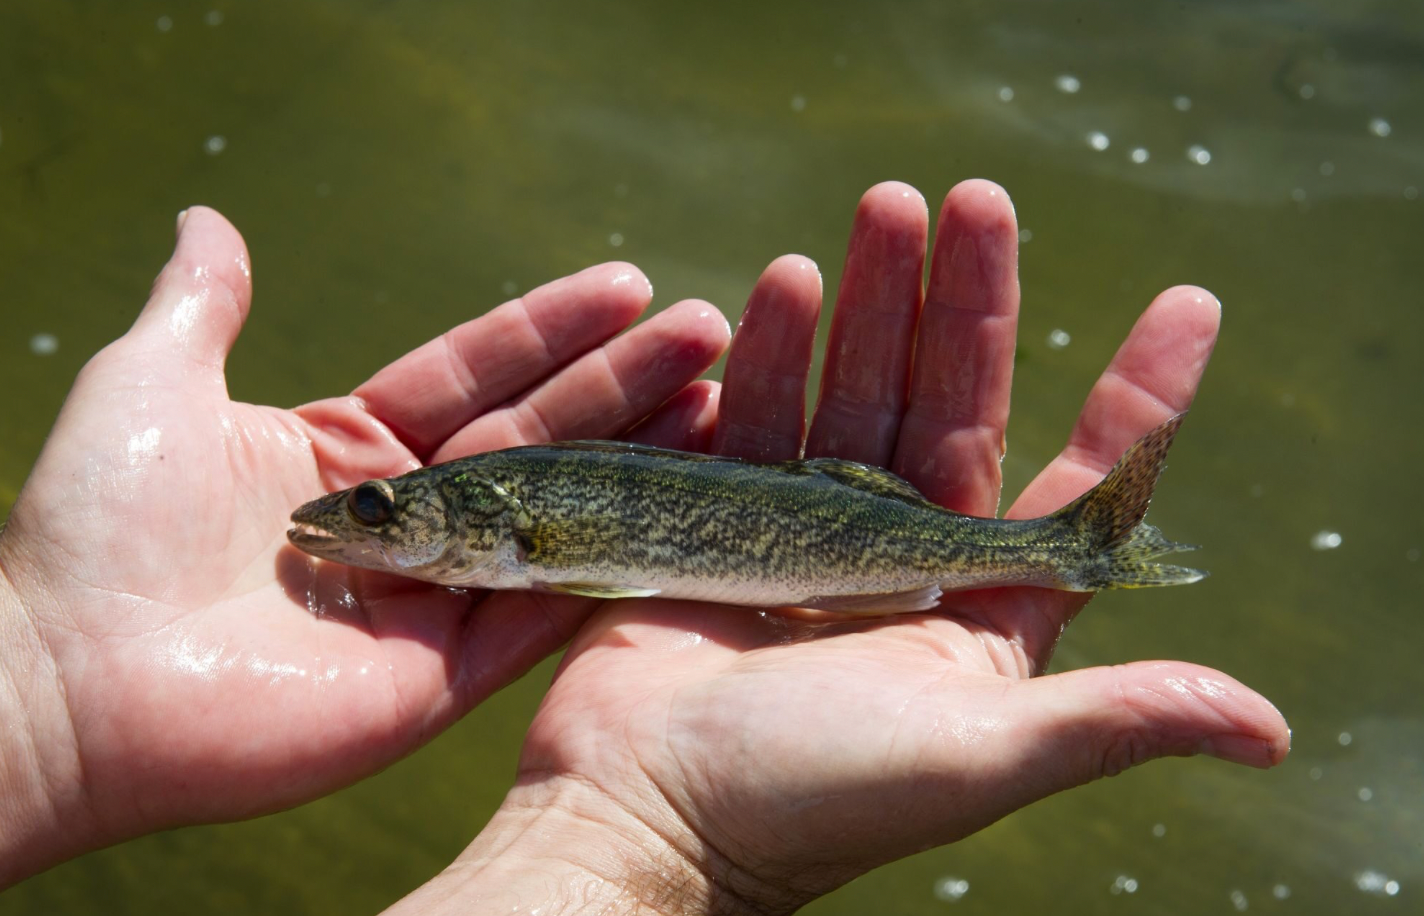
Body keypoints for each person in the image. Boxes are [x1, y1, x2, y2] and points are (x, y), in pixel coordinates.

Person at [0, 180, 1288, 913]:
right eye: (376, 512)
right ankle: (1074, 544)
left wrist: (48, 701)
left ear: (473, 522)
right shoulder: (495, 525)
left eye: (386, 512)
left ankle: (1079, 543)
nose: (357, 528)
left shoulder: (513, 517)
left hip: (867, 542)